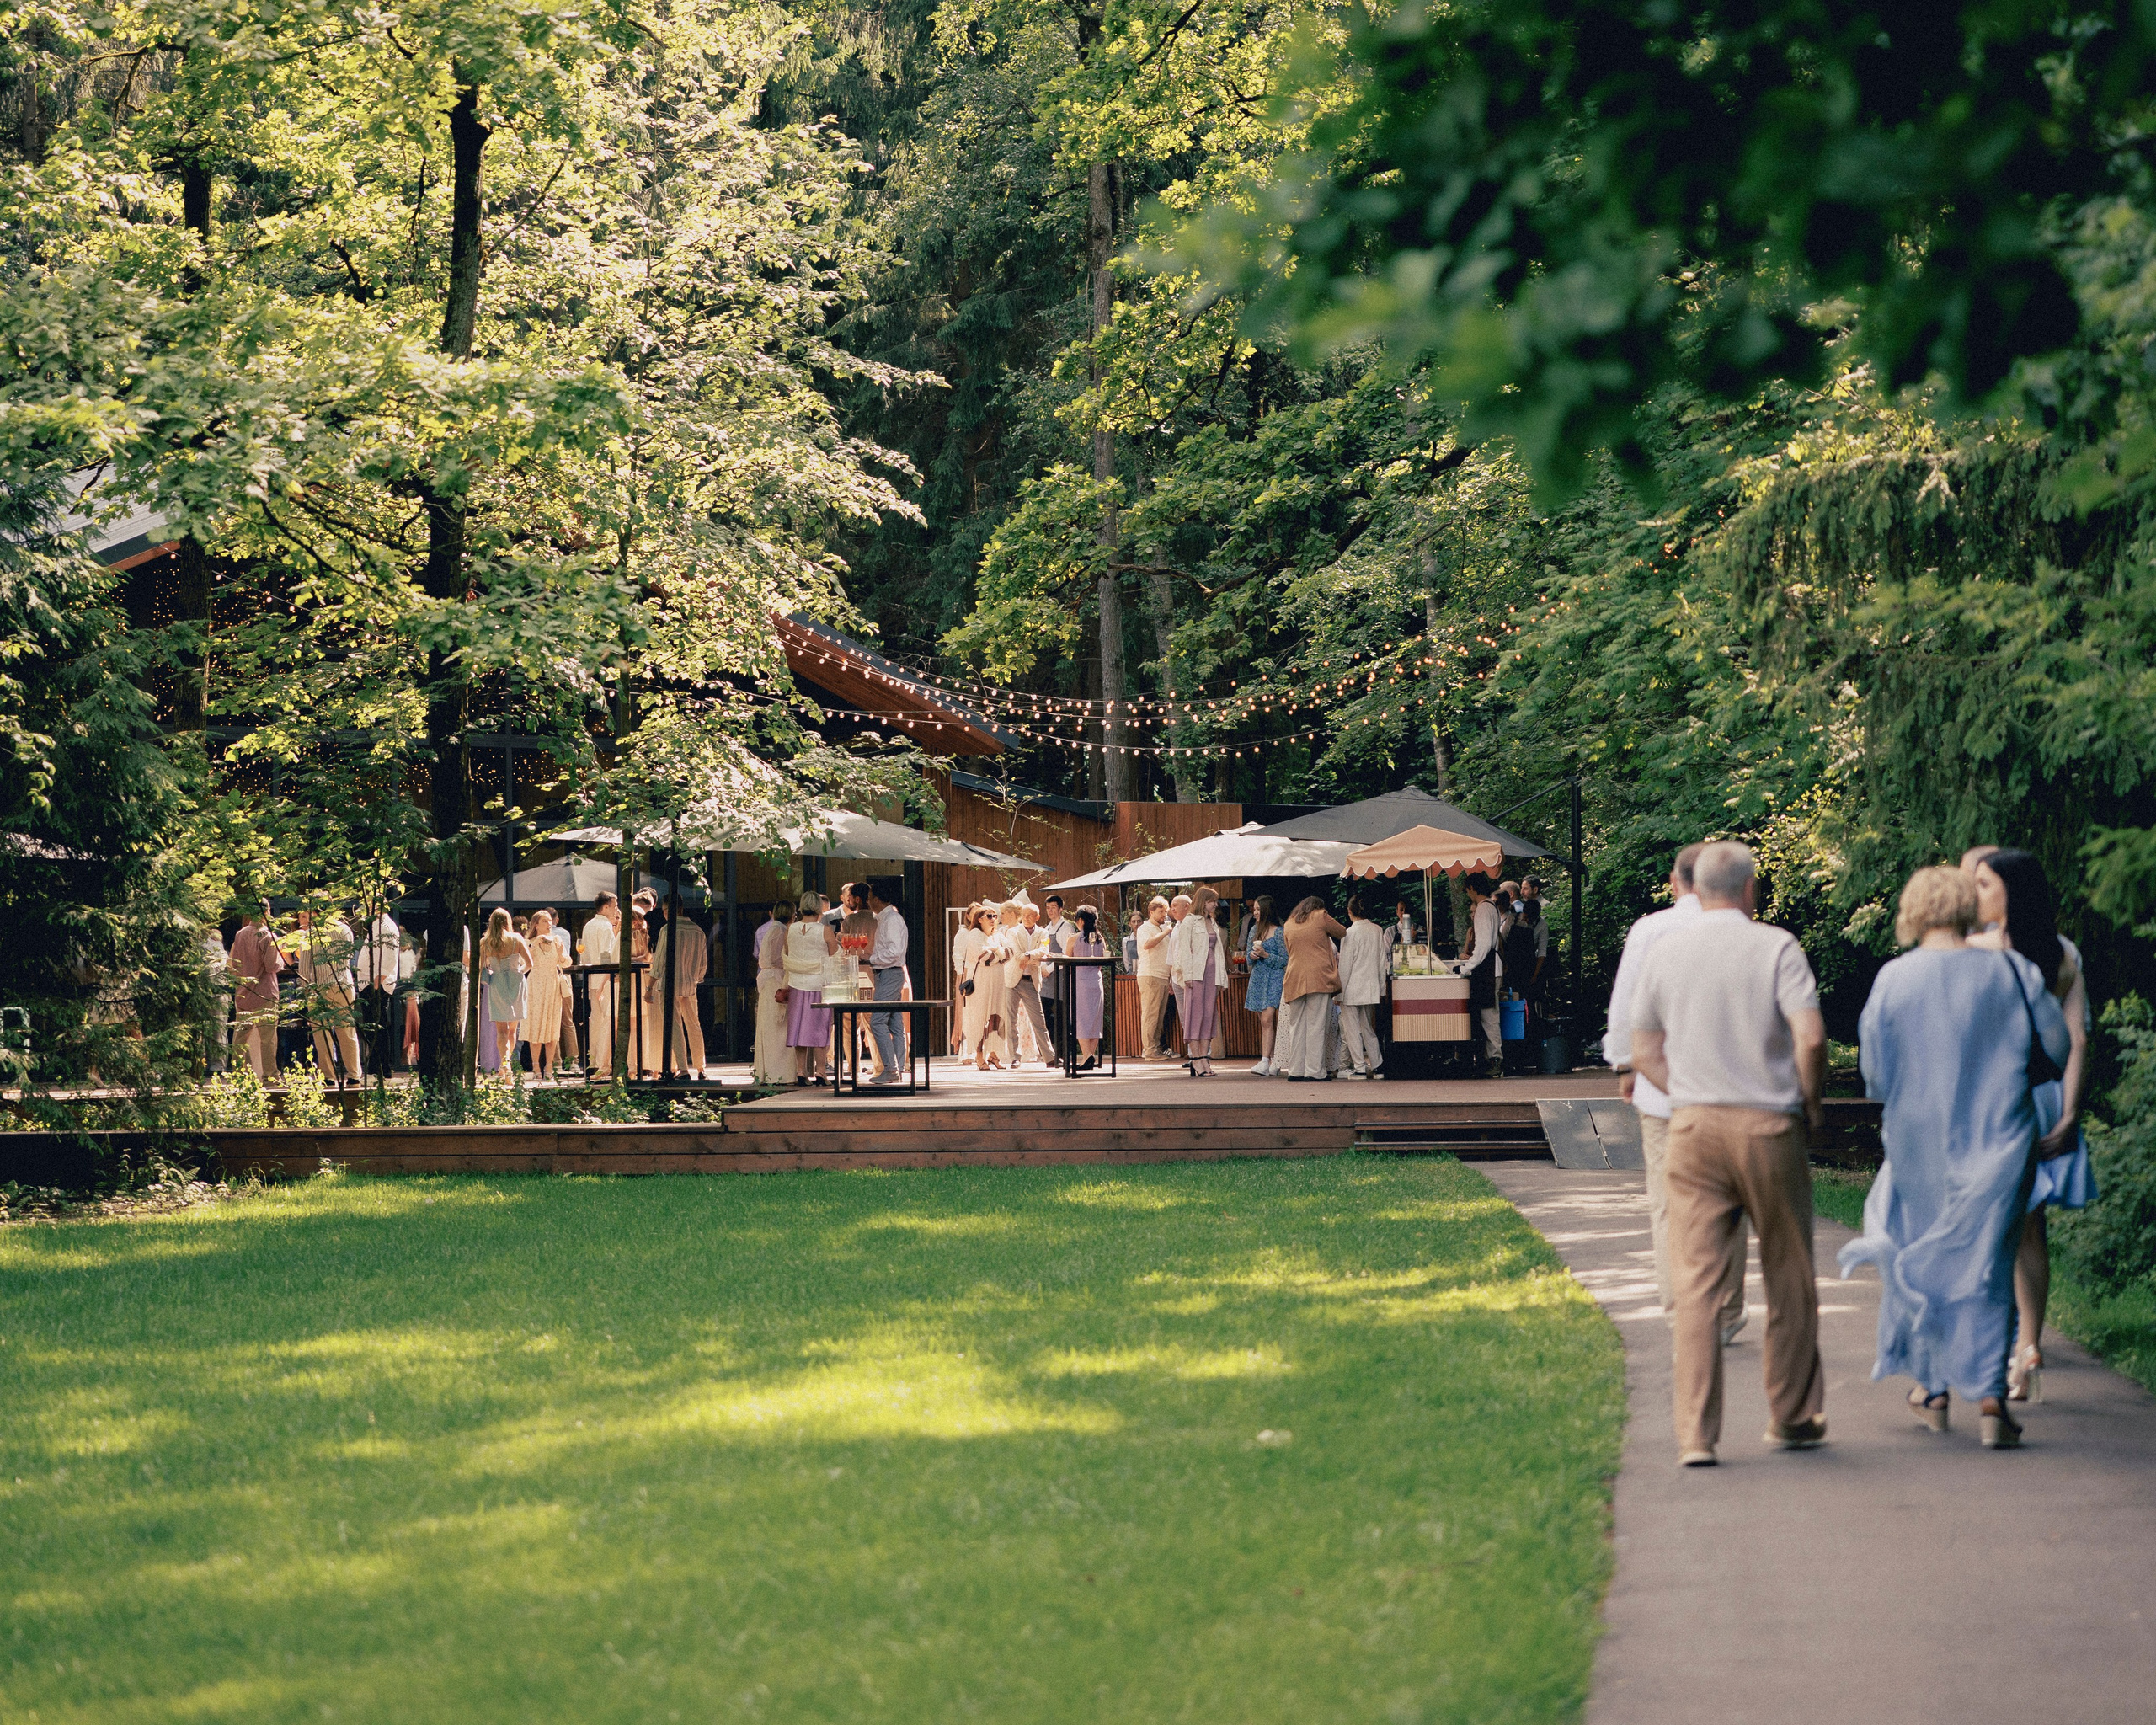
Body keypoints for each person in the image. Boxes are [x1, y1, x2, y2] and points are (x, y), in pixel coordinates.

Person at [1838, 866, 2071, 1449]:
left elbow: (1874, 1077)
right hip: (2002, 1141)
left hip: (1921, 1147)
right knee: (1990, 1267)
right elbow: (2058, 1048)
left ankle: (1934, 1391)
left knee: (1923, 1258)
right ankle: (1992, 1401)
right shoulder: (2012, 971)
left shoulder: (1894, 980)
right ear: (1969, 908)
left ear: (1913, 911)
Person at [1629, 841, 1828, 1466]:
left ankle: (1695, 1435)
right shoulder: (1776, 947)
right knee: (1788, 1273)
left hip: (1692, 1131)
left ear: (1694, 887)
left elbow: (1642, 1052)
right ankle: (1791, 1416)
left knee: (1696, 1284)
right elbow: (1812, 1035)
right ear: (1750, 890)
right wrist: (1807, 1100)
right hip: (1769, 1126)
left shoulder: (1664, 952)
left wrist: (1685, 1094)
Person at [1966, 847, 2094, 1402]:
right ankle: (2030, 1345)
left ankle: (1984, 1354)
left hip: (1989, 1101)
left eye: (1985, 885)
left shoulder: (1976, 952)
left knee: (1983, 1227)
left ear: (2010, 893)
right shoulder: (2064, 953)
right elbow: (2078, 1040)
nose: (1976, 895)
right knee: (2031, 1230)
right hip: (2043, 1096)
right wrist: (2069, 1110)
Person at [1604, 844, 1746, 1342]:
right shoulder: (1748, 932)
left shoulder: (1650, 930)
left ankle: (1681, 1311)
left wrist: (1625, 1065)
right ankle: (1727, 1309)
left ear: (1676, 881)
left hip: (1663, 1091)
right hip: (1730, 1092)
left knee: (1668, 1203)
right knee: (1727, 1200)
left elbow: (1626, 1006)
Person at [1276, 896, 1347, 1081]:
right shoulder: (1321, 915)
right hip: (1318, 977)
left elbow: (1288, 948)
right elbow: (1342, 932)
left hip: (1294, 976)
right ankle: (1315, 1071)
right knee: (1316, 1024)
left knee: (1297, 1025)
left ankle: (1296, 1071)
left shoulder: (1289, 923)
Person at [293, 907, 364, 1084]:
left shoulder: (310, 934)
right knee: (347, 1032)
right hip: (344, 985)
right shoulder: (346, 930)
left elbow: (304, 967)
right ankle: (354, 1074)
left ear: (316, 912)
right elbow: (348, 957)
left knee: (322, 1035)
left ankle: (329, 1076)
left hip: (319, 989)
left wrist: (305, 990)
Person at [647, 897, 709, 1077]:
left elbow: (659, 962)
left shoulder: (668, 930)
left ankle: (683, 1068)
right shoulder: (698, 931)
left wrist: (649, 987)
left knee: (674, 1025)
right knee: (694, 1025)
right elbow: (703, 964)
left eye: (665, 910)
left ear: (669, 910)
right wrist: (695, 978)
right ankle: (701, 1067)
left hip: (669, 983)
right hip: (690, 984)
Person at [1172, 886, 1230, 1077]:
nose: (1215, 904)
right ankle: (1195, 1058)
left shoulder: (1211, 922)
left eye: (1215, 901)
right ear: (1203, 901)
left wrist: (1221, 978)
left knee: (1208, 1014)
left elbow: (1219, 953)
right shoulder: (1189, 921)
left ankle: (1204, 1056)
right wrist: (1187, 975)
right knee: (1195, 1015)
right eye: (1211, 901)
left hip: (1212, 973)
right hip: (1196, 974)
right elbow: (1183, 951)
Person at [783, 889, 836, 1085]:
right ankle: (821, 1071)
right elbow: (835, 957)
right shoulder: (825, 930)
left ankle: (800, 1071)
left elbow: (787, 953)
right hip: (818, 984)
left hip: (797, 983)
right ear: (819, 907)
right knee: (819, 1028)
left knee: (798, 1027)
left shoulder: (791, 929)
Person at [1457, 873, 1504, 1074]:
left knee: (1489, 1015)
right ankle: (1489, 1058)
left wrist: (1466, 967)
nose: (1468, 895)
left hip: (1487, 968)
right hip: (1492, 967)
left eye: (1468, 891)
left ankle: (1495, 1059)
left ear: (1472, 888)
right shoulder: (1492, 907)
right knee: (1488, 1014)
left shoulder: (1484, 908)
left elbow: (1483, 946)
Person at [865, 878, 910, 1085]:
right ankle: (898, 1068)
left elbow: (894, 951)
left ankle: (891, 1069)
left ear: (876, 899)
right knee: (894, 1022)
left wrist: (871, 959)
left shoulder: (891, 919)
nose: (867, 902)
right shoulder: (886, 918)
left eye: (869, 898)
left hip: (889, 973)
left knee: (877, 1021)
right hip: (887, 973)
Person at [1337, 895, 1388, 1079]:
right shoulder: (1377, 930)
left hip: (1351, 988)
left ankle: (1359, 1066)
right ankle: (1377, 1065)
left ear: (1350, 912)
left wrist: (1339, 993)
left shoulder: (1349, 933)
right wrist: (1381, 988)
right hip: (1370, 987)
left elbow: (1345, 966)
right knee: (1367, 1028)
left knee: (1352, 1030)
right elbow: (1382, 961)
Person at [478, 907, 531, 1076]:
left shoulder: (485, 942)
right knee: (512, 1029)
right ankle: (507, 1063)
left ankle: (504, 1064)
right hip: (516, 982)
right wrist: (518, 973)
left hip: (497, 983)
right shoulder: (516, 939)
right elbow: (530, 963)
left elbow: (481, 967)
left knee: (501, 1029)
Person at [353, 901, 401, 1078]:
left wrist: (375, 984)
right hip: (369, 985)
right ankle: (374, 1067)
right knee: (371, 1027)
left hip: (377, 986)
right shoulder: (375, 926)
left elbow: (389, 960)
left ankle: (383, 1068)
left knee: (378, 1027)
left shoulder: (386, 927)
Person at [1242, 895, 1287, 1076]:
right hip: (1259, 977)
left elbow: (1286, 960)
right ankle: (1270, 1060)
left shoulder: (1279, 932)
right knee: (1264, 1021)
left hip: (1275, 977)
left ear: (1267, 910)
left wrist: (1266, 955)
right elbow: (1247, 959)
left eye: (1259, 909)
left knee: (1268, 1018)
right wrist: (1252, 956)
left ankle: (1267, 1060)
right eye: (1255, 908)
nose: (1255, 912)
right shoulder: (1254, 930)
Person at [580, 893, 622, 1079]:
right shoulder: (605, 927)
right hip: (605, 980)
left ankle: (594, 1061)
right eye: (614, 906)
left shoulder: (588, 926)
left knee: (595, 1021)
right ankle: (604, 1064)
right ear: (605, 907)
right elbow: (608, 956)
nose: (616, 910)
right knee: (606, 1021)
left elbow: (584, 956)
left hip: (592, 979)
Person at [1008, 902, 1053, 1067]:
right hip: (1012, 979)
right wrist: (1026, 957)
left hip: (1030, 980)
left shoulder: (1043, 932)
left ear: (1037, 917)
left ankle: (1049, 1057)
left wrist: (1028, 955)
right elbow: (1014, 952)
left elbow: (1043, 950)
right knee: (1011, 1020)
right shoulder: (1012, 932)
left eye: (1030, 916)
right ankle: (1015, 1057)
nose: (1027, 918)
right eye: (1024, 915)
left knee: (1038, 1020)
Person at [1064, 904, 1108, 1068]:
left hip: (1079, 980)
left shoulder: (1074, 938)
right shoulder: (1100, 939)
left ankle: (1086, 1055)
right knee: (1095, 1018)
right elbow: (1101, 962)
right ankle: (1090, 1055)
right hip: (1095, 980)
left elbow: (1067, 958)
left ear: (1080, 921)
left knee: (1080, 1018)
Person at [751, 901, 791, 1087]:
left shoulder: (771, 929)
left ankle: (768, 1071)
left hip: (768, 981)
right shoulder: (781, 931)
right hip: (776, 980)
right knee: (779, 1027)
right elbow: (778, 959)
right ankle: (780, 1073)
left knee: (769, 1027)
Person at [523, 909, 565, 1080]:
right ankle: (535, 1068)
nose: (549, 925)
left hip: (553, 985)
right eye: (545, 922)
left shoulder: (557, 940)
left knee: (551, 1027)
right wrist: (534, 944)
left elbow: (566, 962)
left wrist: (562, 953)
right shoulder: (528, 942)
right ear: (536, 925)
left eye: (550, 921)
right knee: (535, 1027)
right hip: (536, 985)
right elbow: (524, 965)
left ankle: (549, 1067)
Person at [1135, 896, 1175, 1060]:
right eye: (1160, 911)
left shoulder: (1161, 929)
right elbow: (1147, 944)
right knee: (1151, 1014)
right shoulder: (1145, 928)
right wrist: (1166, 931)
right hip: (1150, 975)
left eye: (1166, 912)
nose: (1164, 915)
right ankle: (1149, 1050)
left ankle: (1156, 1047)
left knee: (1159, 1015)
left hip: (1163, 976)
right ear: (1151, 911)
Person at [952, 902, 986, 1060]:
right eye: (973, 914)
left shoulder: (983, 933)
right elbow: (957, 955)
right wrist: (962, 975)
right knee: (965, 1013)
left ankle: (981, 1051)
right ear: (967, 916)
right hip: (967, 975)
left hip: (981, 974)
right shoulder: (963, 933)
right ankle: (966, 1051)